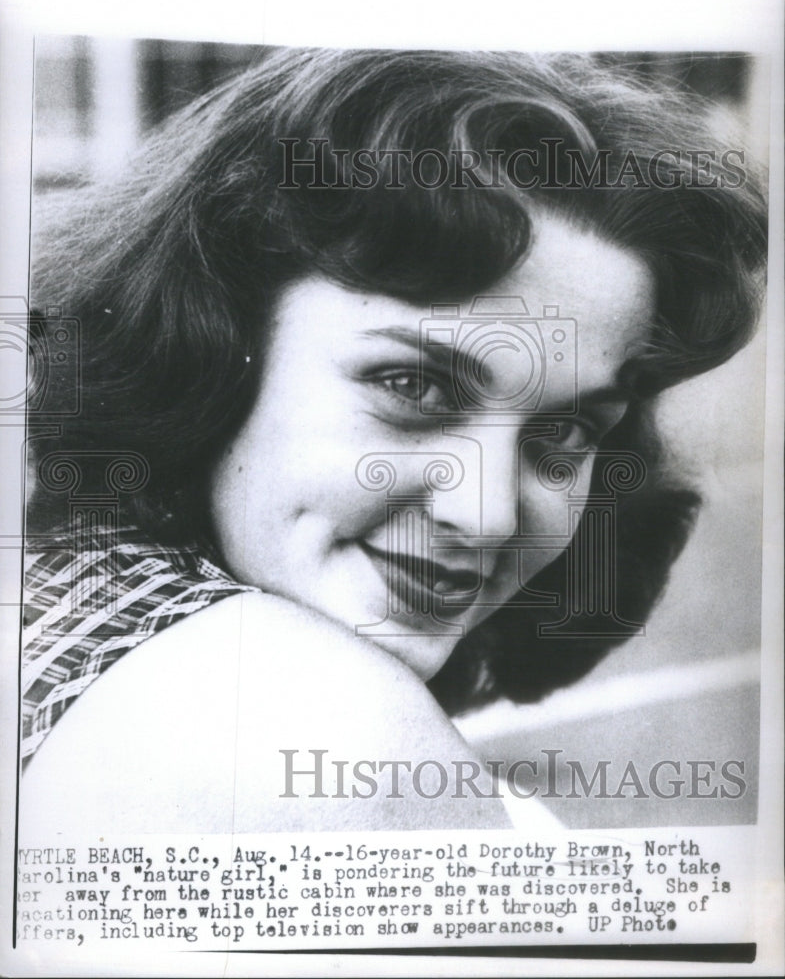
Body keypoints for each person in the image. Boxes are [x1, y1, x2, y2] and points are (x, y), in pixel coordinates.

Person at [20, 49, 766, 832]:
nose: (484, 517)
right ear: (209, 349)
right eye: (413, 387)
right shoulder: (331, 741)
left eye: (563, 431)